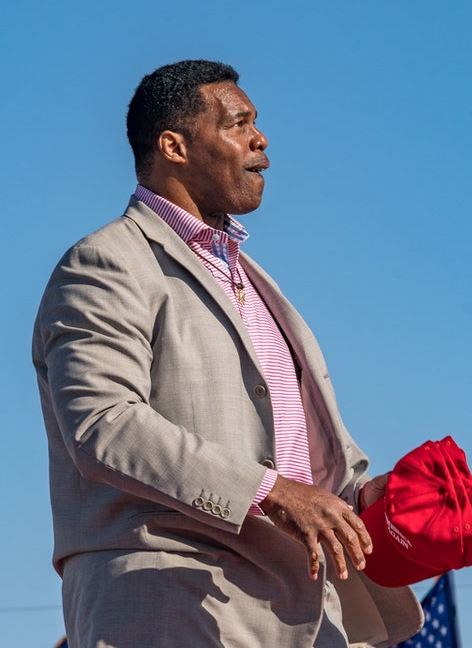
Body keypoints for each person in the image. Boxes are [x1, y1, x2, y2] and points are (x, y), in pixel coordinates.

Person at [32, 60, 422, 647]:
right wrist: (272, 493)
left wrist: (377, 500)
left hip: (307, 610)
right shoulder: (107, 262)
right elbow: (102, 424)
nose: (261, 140)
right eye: (239, 124)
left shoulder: (254, 280)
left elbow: (300, 453)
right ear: (174, 146)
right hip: (171, 594)